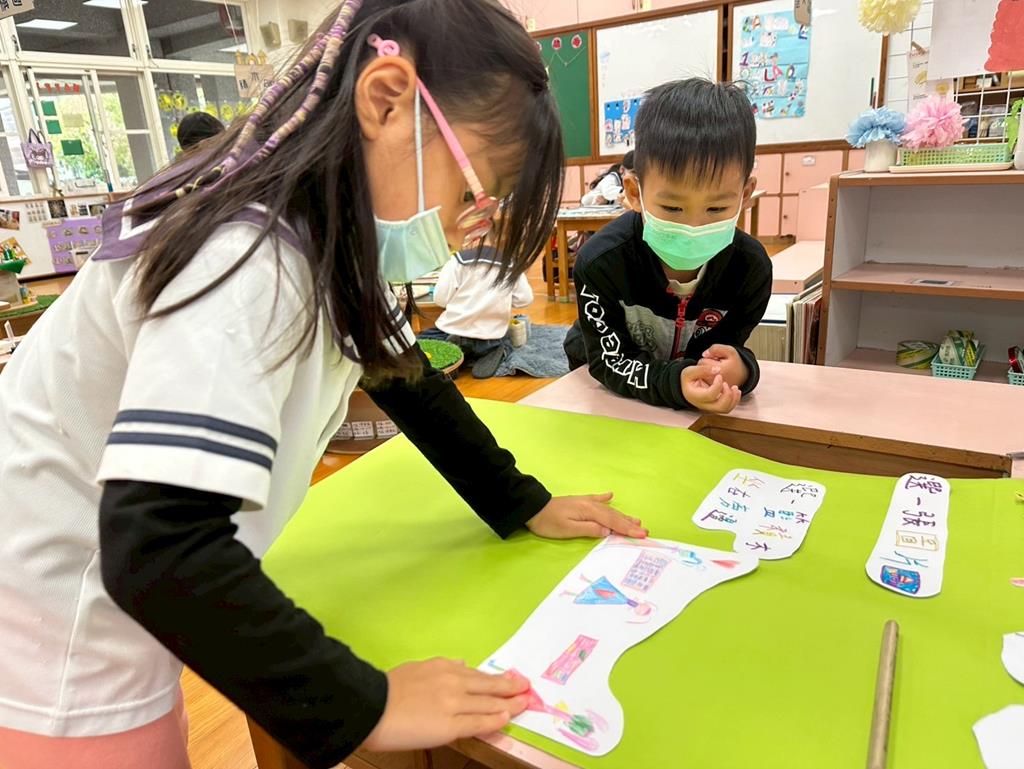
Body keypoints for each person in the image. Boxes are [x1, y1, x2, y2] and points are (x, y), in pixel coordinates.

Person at [0, 2, 649, 769]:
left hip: (93, 616)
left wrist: (520, 501)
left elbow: (409, 383)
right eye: (475, 191)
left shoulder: (324, 239)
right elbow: (159, 548)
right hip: (59, 644)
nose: (471, 224)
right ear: (386, 101)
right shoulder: (245, 260)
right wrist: (365, 703)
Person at [563, 78, 771, 413]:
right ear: (635, 193)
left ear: (745, 195)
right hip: (602, 387)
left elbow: (728, 349)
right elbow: (607, 360)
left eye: (716, 209)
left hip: (686, 404)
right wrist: (674, 383)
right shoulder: (600, 261)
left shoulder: (750, 269)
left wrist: (743, 370)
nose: (693, 228)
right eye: (672, 208)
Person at [421, 243, 533, 378]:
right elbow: (525, 299)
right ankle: (495, 349)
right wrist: (504, 301)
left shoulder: (458, 260)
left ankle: (456, 356)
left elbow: (440, 299)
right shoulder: (512, 264)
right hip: (491, 336)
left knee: (420, 340)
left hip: (454, 331)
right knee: (507, 337)